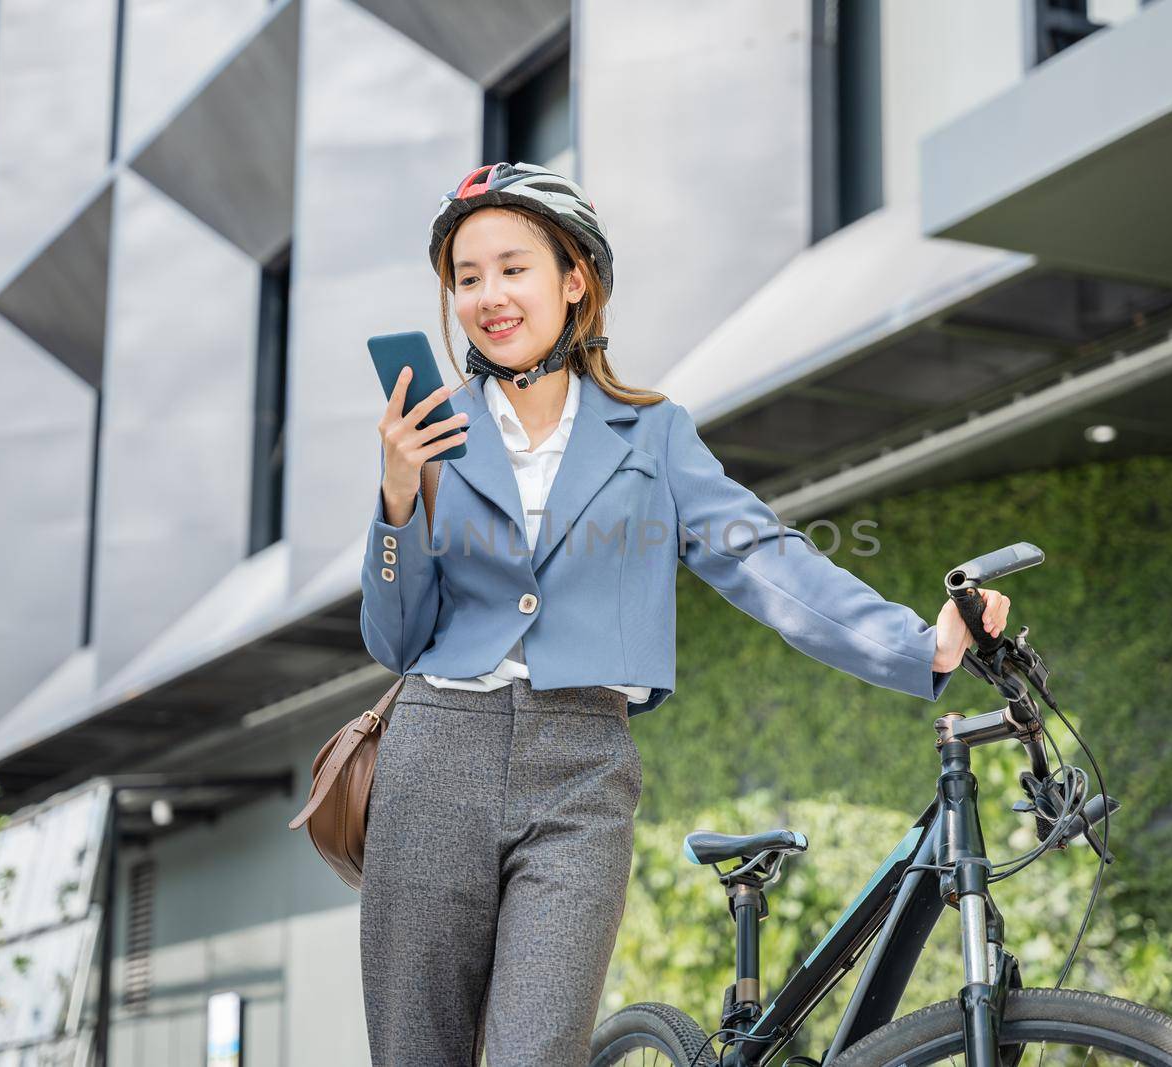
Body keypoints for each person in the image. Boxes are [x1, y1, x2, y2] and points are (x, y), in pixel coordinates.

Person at [357, 161, 1011, 1067]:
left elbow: (763, 559)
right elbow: (392, 638)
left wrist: (919, 643)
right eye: (466, 278)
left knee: (534, 1051)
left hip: (580, 772)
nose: (488, 297)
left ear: (573, 277)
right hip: (436, 756)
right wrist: (397, 499)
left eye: (513, 267)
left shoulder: (653, 434)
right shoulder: (432, 436)